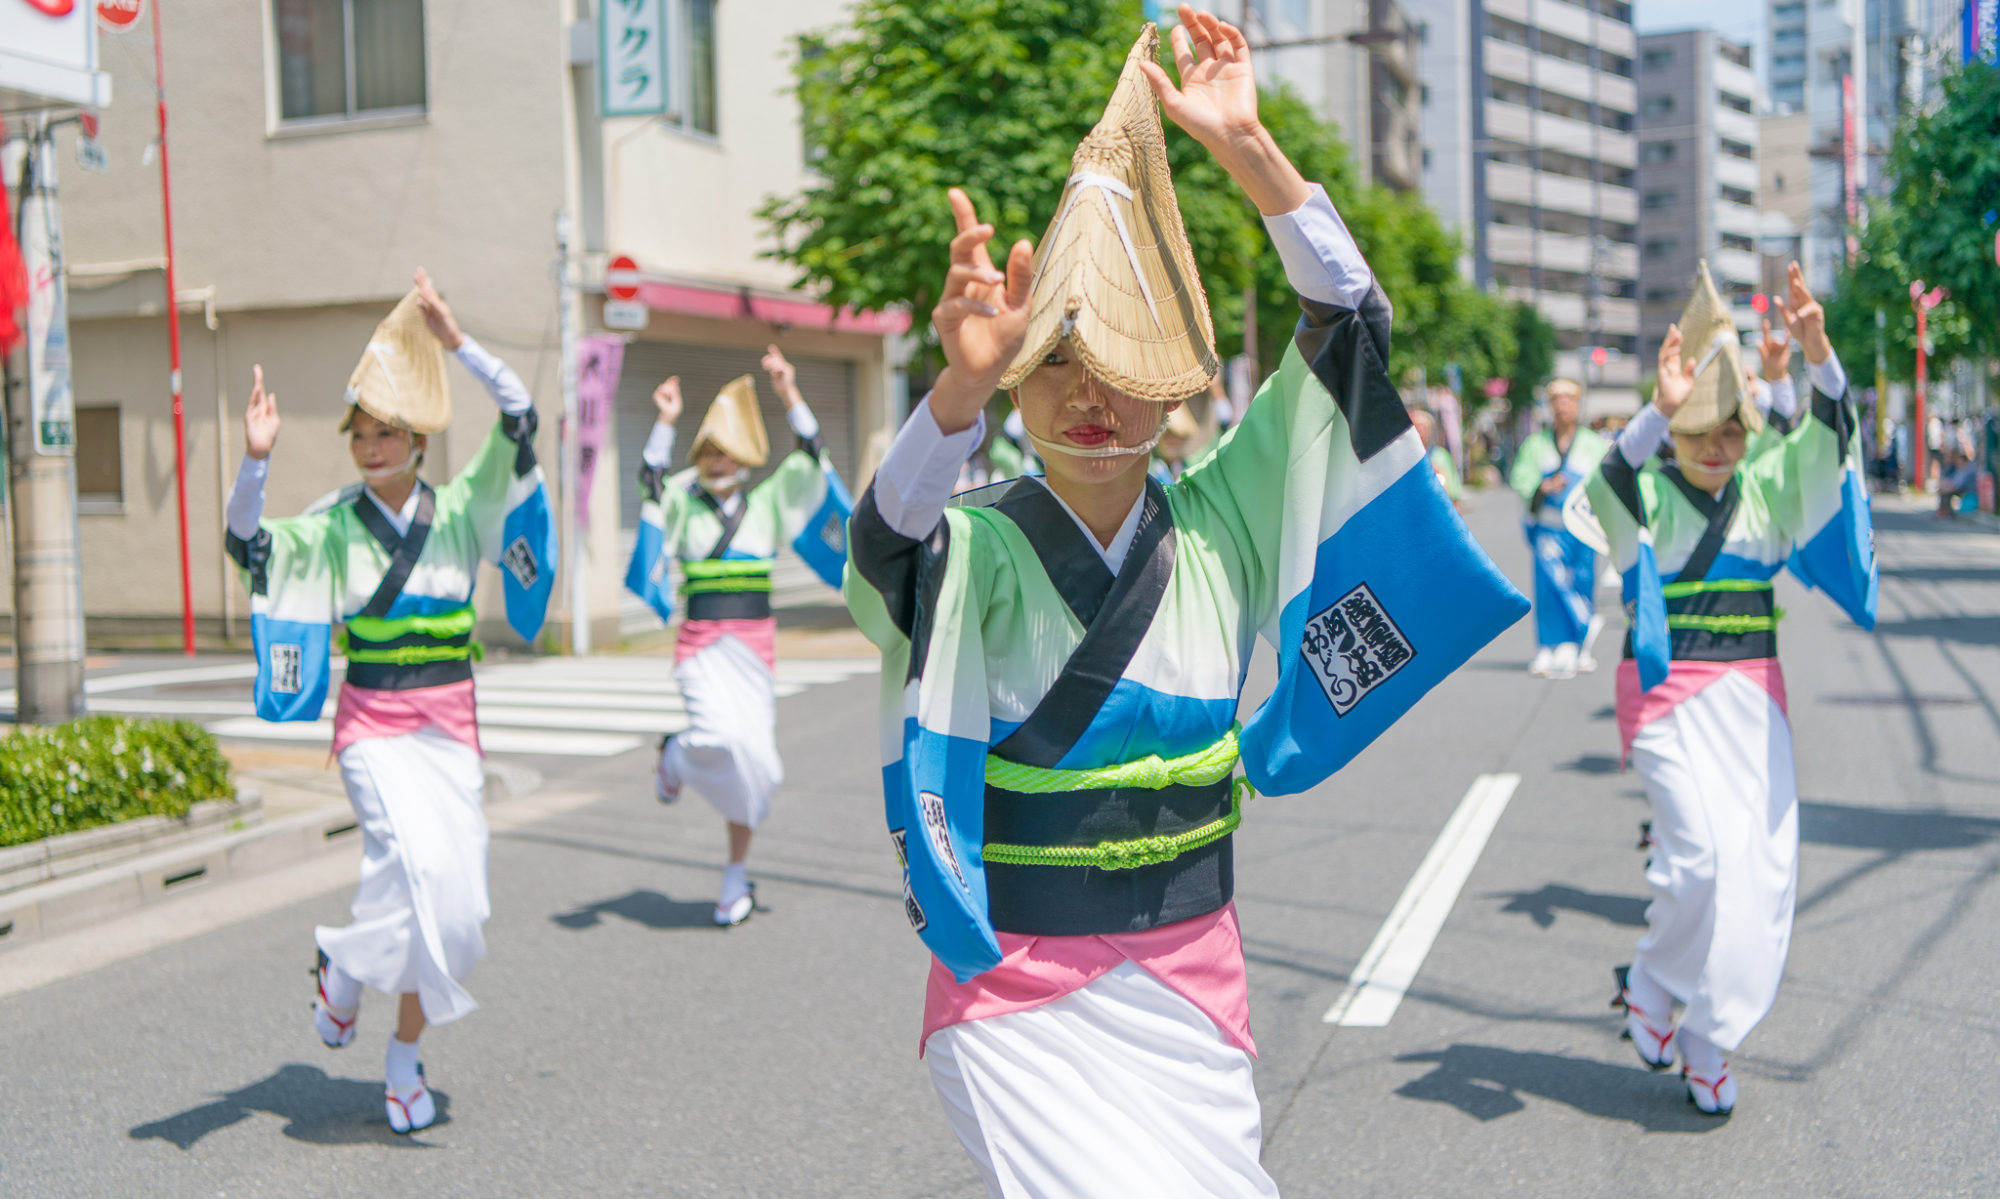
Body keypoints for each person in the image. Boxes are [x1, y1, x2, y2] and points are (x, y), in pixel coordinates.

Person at [844, 14, 1525, 1195]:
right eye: (1053, 359)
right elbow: (886, 550)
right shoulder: (981, 539)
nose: (1087, 397)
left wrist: (1253, 153)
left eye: (1117, 363)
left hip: (1189, 977)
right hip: (1014, 982)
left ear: (1173, 378)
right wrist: (951, 391)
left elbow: (1350, 333)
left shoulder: (1223, 517)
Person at [226, 270, 556, 1135]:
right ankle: (401, 1059)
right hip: (372, 727)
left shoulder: (461, 511)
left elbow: (520, 420)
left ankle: (343, 965)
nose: (370, 448)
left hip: (450, 730)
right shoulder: (334, 524)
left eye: (387, 434)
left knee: (461, 911)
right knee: (412, 869)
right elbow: (251, 548)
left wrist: (457, 342)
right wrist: (255, 461)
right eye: (359, 435)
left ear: (418, 438)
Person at [1584, 261, 1875, 1116]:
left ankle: (1708, 1034)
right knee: (1702, 860)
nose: (1715, 449)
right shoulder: (1647, 495)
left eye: (1729, 432)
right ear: (1675, 430)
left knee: (1763, 875)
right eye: (1697, 432)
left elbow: (1825, 449)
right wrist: (1656, 411)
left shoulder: (1767, 484)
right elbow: (1602, 480)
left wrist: (1819, 359)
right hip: (1670, 693)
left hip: (1754, 698)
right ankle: (1653, 980)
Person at [624, 346, 852, 926]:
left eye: (726, 450)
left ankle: (734, 874)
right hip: (700, 643)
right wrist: (667, 420)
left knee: (760, 767)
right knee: (715, 736)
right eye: (707, 450)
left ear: (745, 454)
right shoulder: (682, 500)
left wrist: (788, 390)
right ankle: (674, 753)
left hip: (754, 647)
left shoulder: (769, 499)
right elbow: (649, 480)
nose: (717, 459)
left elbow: (812, 454)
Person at [1510, 378, 1608, 678]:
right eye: (1557, 400)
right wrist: (1544, 486)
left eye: (1569, 399)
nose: (1563, 406)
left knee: (1580, 583)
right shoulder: (1536, 444)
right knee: (1548, 586)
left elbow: (1606, 481)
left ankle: (1577, 643)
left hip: (1582, 528)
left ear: (1577, 406)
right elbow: (1521, 478)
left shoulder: (1594, 444)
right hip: (1549, 527)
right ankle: (1548, 645)